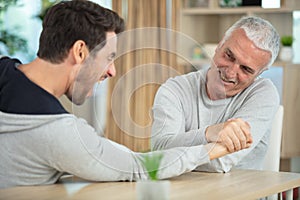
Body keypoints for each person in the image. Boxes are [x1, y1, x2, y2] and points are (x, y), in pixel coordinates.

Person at [0, 0, 249, 188]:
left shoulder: (4, 69)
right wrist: (216, 148)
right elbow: (141, 169)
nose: (112, 71)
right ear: (79, 52)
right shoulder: (59, 132)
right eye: (108, 57)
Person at [151, 16, 280, 172]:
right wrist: (208, 134)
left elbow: (220, 162)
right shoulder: (174, 89)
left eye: (246, 69)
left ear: (260, 73)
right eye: (229, 56)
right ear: (219, 46)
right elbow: (159, 153)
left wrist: (174, 154)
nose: (231, 72)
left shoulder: (263, 93)